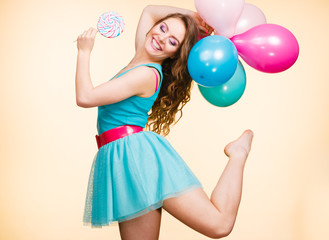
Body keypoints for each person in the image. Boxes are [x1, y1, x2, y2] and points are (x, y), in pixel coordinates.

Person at [75, 4, 254, 240]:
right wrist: (196, 19)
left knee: (219, 224)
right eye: (162, 28)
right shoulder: (141, 56)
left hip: (136, 155)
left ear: (174, 55)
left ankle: (238, 152)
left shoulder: (146, 73)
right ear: (151, 29)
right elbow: (149, 10)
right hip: (121, 158)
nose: (161, 38)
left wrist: (84, 51)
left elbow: (85, 97)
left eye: (172, 42)